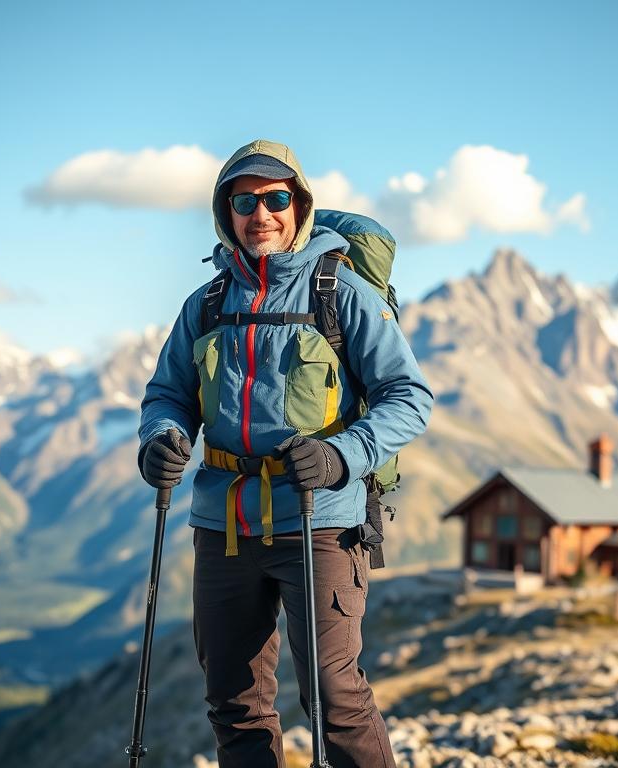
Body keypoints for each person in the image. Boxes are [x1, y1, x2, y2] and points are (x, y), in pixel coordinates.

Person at [137, 139, 433, 767]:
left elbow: (409, 397)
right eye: (244, 201)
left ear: (299, 206)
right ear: (227, 215)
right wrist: (159, 438)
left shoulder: (342, 293)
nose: (261, 214)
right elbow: (167, 394)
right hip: (224, 527)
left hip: (320, 519)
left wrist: (343, 455)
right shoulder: (207, 304)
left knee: (334, 698)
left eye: (275, 199)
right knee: (234, 701)